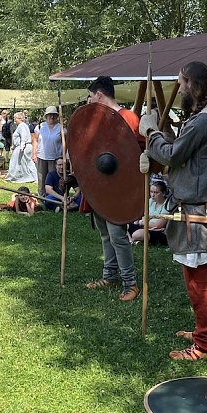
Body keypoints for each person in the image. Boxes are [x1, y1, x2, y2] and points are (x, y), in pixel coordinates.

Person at [140, 61, 207, 360]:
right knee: (195, 276)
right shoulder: (203, 117)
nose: (180, 89)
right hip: (192, 207)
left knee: (199, 279)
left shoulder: (204, 121)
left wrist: (151, 133)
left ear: (195, 86)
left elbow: (173, 155)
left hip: (196, 212)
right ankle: (203, 328)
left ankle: (205, 344)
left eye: (182, 84)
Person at [83, 76, 142, 302]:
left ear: (99, 94)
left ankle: (131, 284)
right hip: (100, 185)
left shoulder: (129, 118)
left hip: (120, 187)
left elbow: (137, 155)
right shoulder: (97, 120)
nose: (89, 100)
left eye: (90, 96)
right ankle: (110, 276)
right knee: (106, 233)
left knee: (118, 235)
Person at [129, 179, 169, 247]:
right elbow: (144, 217)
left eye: (156, 192)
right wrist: (144, 222)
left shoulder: (167, 205)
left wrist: (142, 222)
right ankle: (132, 241)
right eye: (151, 192)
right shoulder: (150, 201)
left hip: (158, 232)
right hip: (146, 228)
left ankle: (131, 240)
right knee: (124, 225)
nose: (153, 195)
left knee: (138, 234)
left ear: (164, 193)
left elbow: (158, 225)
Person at [34, 106, 63, 199]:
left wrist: (64, 157)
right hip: (41, 155)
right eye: (49, 115)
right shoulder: (40, 126)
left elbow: (65, 143)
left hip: (55, 157)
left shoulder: (61, 128)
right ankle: (41, 196)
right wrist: (34, 153)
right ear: (46, 116)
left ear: (57, 116)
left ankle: (53, 196)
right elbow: (35, 140)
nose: (52, 117)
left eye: (54, 115)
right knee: (41, 177)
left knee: (53, 178)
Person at [5, 112, 37, 183]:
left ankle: (13, 177)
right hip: (25, 146)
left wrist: (22, 146)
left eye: (15, 118)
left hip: (23, 146)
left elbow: (24, 136)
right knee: (28, 162)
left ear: (19, 118)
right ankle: (34, 177)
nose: (14, 120)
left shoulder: (21, 126)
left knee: (17, 162)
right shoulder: (23, 125)